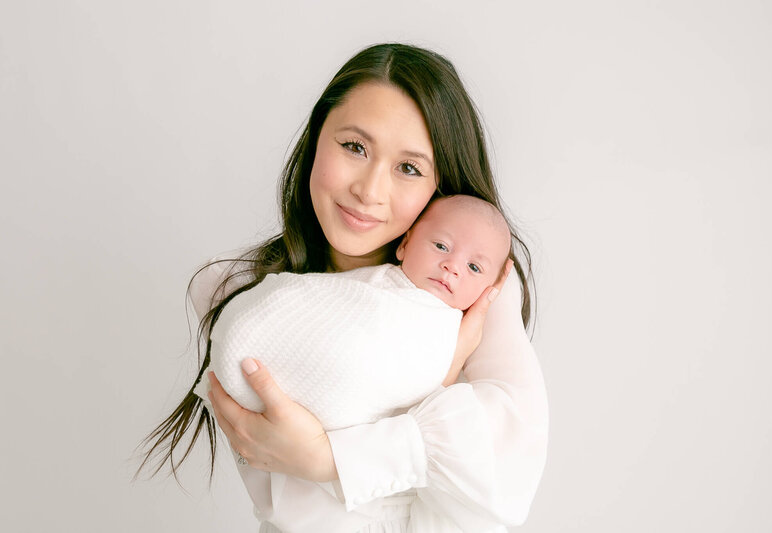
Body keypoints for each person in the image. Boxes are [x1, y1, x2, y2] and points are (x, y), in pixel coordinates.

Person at [137, 43, 548, 533]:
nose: (370, 191)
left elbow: (507, 470)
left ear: (440, 185)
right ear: (316, 141)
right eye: (355, 147)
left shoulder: (469, 296)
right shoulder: (238, 291)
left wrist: (327, 460)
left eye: (409, 168)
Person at [197, 194, 513, 434]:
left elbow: (422, 403)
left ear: (491, 287)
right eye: (442, 246)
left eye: (474, 267)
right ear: (404, 245)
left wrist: (455, 356)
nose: (452, 266)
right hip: (260, 375)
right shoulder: (374, 282)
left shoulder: (454, 330)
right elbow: (322, 300)